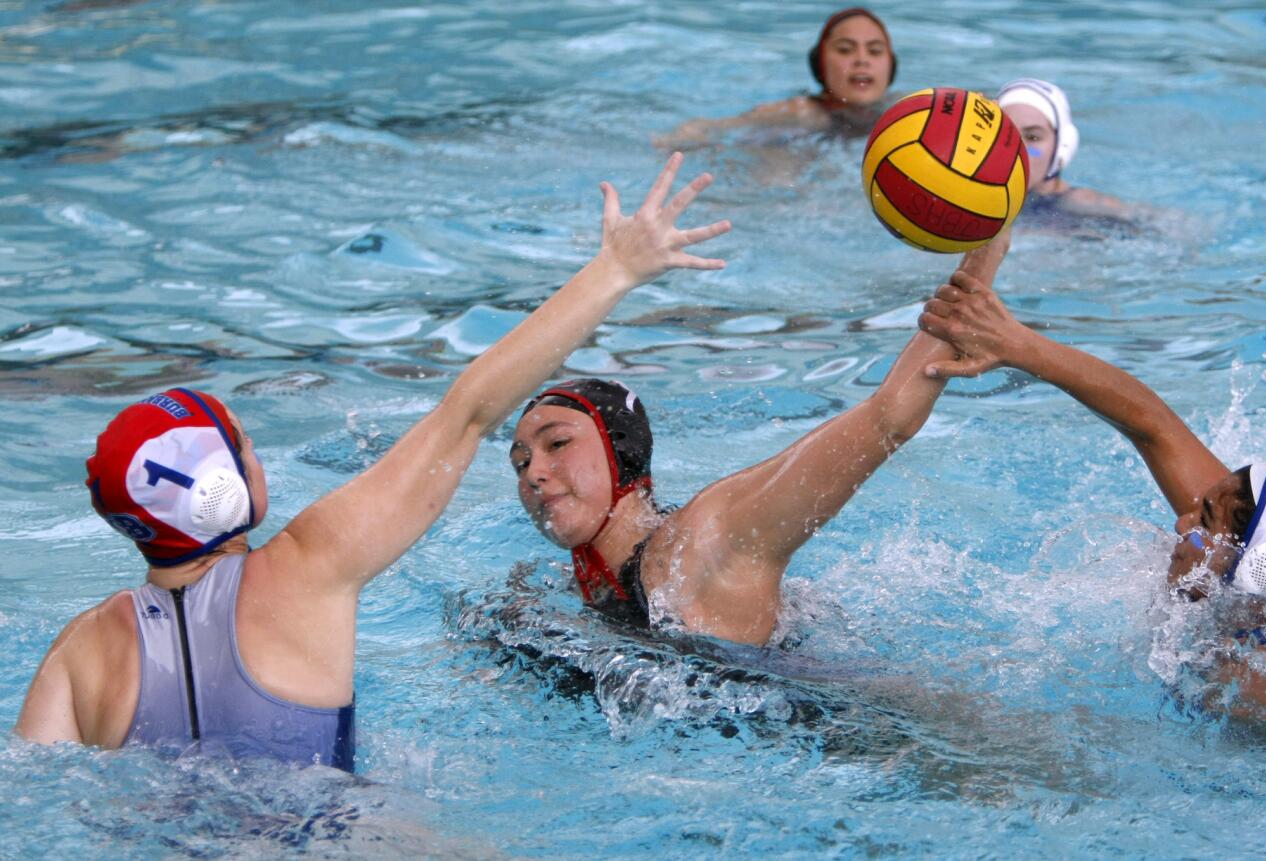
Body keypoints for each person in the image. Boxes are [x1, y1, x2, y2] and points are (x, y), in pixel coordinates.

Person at [13, 154, 731, 769]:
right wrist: (613, 271)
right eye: (244, 447)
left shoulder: (76, 651)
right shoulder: (305, 566)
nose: (256, 455)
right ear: (218, 489)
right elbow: (468, 412)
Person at [916, 273, 1266, 751]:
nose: (1182, 522)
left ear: (1263, 564)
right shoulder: (1262, 568)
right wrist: (1016, 343)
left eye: (1203, 522)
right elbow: (1152, 424)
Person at [507, 232, 1010, 646]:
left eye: (557, 444)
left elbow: (886, 420)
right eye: (520, 461)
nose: (534, 473)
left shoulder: (708, 538)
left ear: (622, 454)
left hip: (848, 732)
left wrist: (984, 253)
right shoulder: (578, 587)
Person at [658, 7, 897, 149]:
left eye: (875, 51)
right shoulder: (803, 112)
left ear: (891, 65)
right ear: (820, 64)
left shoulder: (903, 108)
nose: (862, 60)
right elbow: (717, 128)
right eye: (845, 49)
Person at [996, 78, 1133, 223]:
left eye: (1032, 137)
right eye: (1006, 135)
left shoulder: (1091, 207)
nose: (1017, 150)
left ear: (1063, 147)